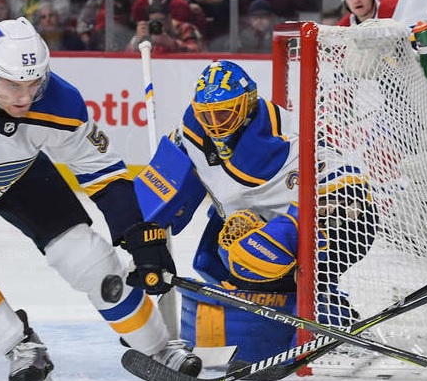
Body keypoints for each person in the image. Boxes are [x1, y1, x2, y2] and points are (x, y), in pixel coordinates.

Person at [0, 17, 201, 381]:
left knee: (89, 261)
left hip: (17, 175)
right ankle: (19, 346)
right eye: (13, 85)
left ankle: (156, 347)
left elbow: (103, 172)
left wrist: (139, 236)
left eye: (33, 84)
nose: (25, 96)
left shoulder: (59, 102)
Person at [135, 60, 376, 365]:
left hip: (342, 217)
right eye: (207, 114)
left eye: (224, 113)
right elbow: (159, 187)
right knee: (217, 255)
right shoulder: (192, 132)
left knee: (253, 255)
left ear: (247, 105)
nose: (214, 124)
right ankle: (310, 315)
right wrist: (146, 235)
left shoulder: (282, 138)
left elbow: (346, 189)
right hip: (275, 219)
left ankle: (324, 320)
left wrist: (294, 229)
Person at [127, 1, 205, 53]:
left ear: (169, 19)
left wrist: (172, 44)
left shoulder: (185, 28)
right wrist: (137, 41)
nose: (157, 25)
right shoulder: (146, 30)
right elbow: (127, 56)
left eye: (161, 20)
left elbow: (197, 50)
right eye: (153, 21)